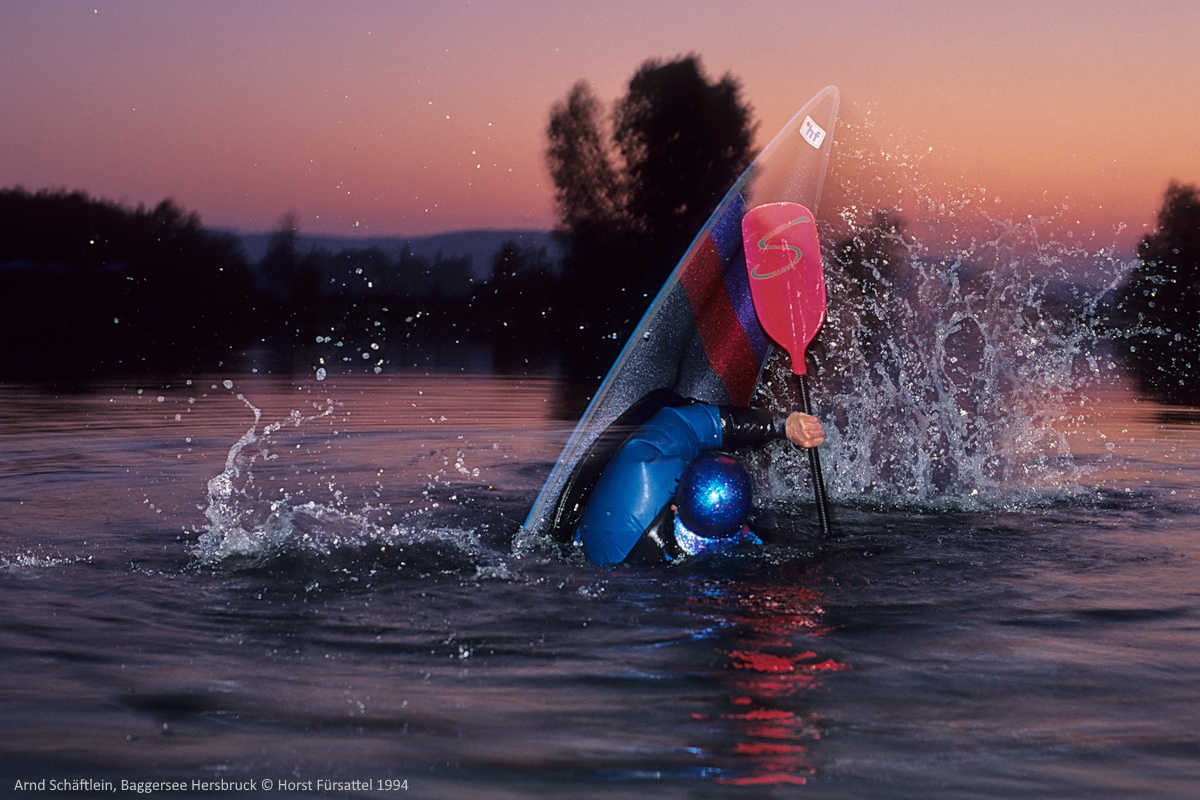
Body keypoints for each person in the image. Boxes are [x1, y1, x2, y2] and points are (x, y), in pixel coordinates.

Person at [576, 399, 825, 566]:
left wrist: (786, 426)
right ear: (673, 503)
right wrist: (777, 424)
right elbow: (696, 424)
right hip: (611, 538)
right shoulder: (644, 465)